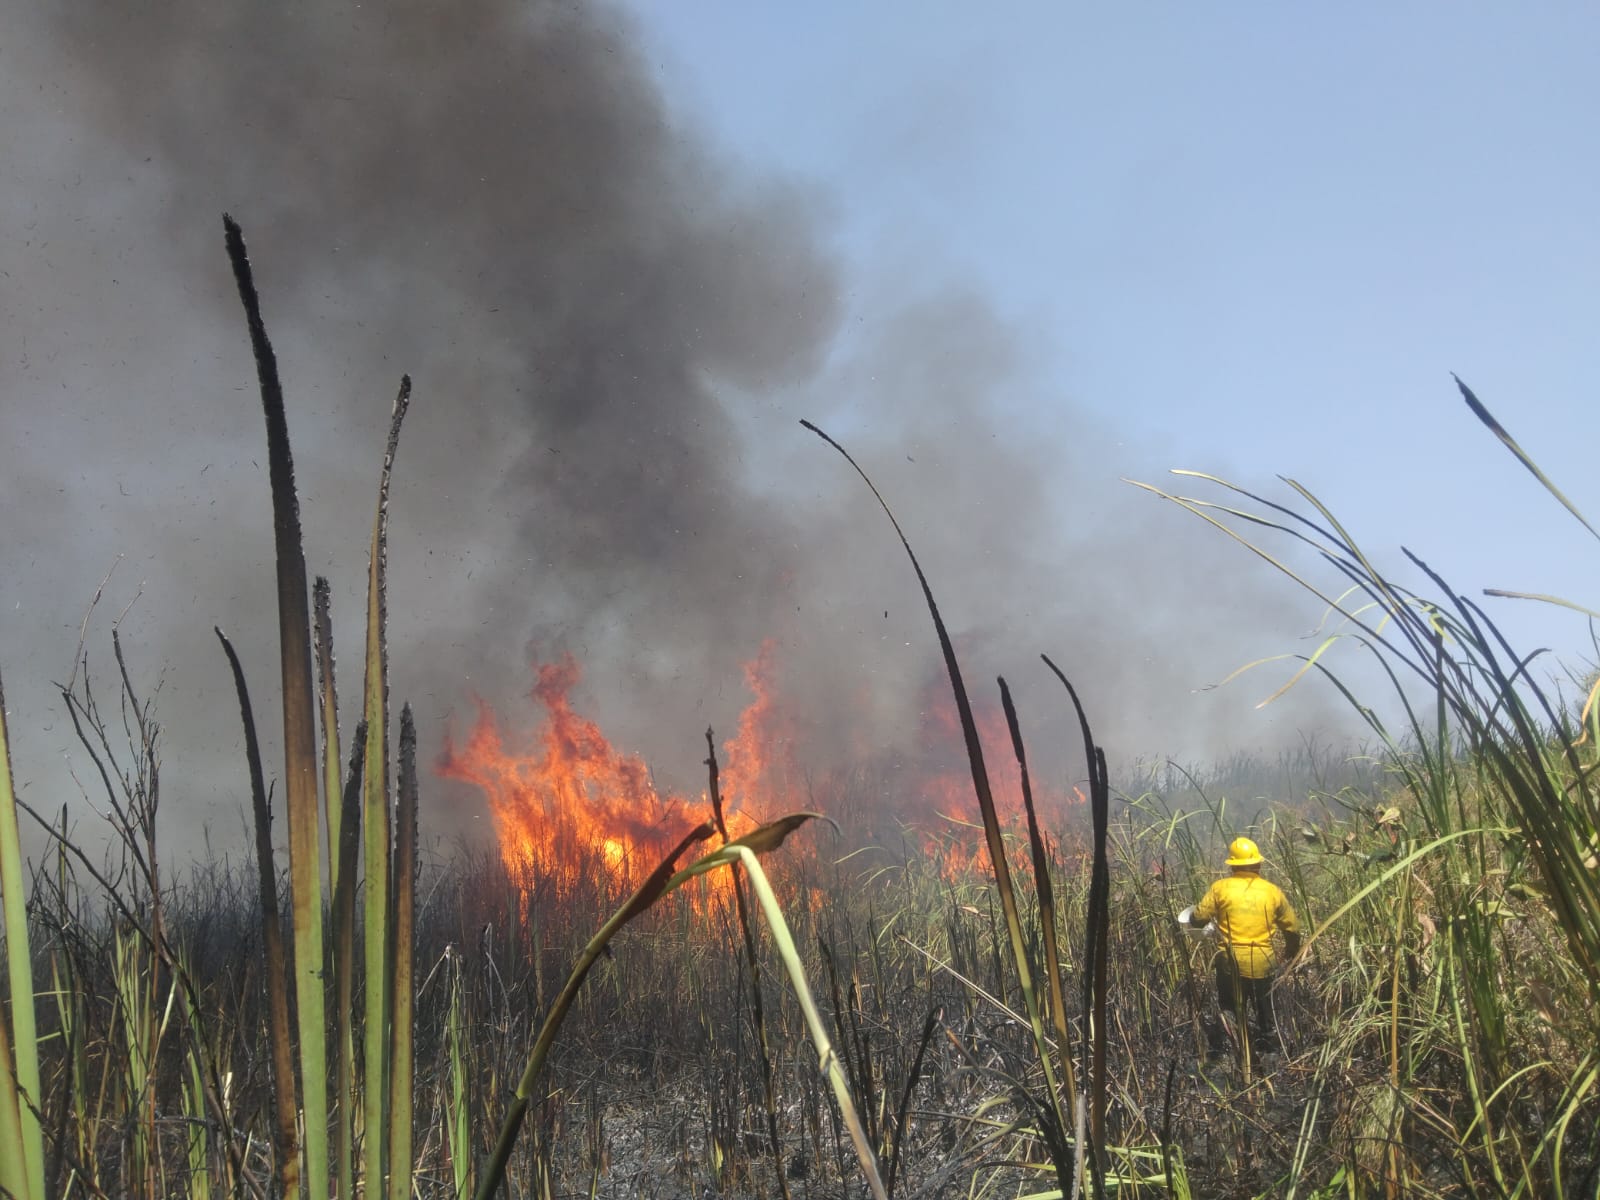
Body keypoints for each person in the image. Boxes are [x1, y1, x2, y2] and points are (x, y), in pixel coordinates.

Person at [1189, 836, 1301, 1055]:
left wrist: (1199, 919)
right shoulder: (1272, 891)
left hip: (1229, 963)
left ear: (1232, 865)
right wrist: (1291, 952)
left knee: (1229, 1008)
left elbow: (1198, 918)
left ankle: (1230, 1054)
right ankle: (1268, 1057)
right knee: (1265, 1013)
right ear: (1258, 864)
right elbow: (1293, 929)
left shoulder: (1220, 888)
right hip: (1263, 961)